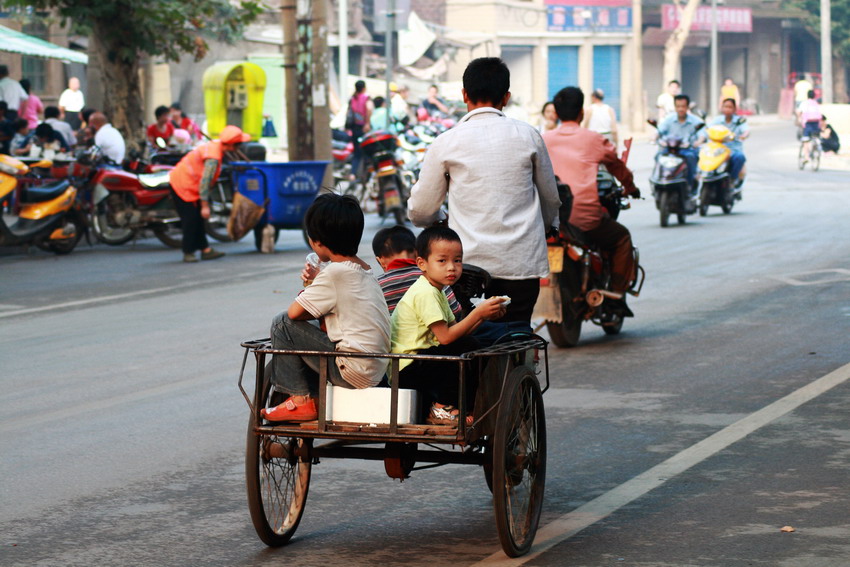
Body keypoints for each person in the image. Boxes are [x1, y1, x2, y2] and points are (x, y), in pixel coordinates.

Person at [408, 57, 561, 329]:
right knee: (516, 334)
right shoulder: (528, 136)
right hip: (521, 264)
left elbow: (420, 211)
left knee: (469, 338)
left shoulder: (447, 141)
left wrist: (440, 217)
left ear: (464, 95)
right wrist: (549, 225)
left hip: (464, 269)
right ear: (506, 97)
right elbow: (550, 197)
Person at [261, 193, 392, 422]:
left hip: (352, 371)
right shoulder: (363, 270)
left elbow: (294, 314)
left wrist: (314, 283)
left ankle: (300, 400)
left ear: (318, 242)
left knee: (282, 323)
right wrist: (317, 281)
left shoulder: (333, 273)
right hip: (375, 369)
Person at [391, 227, 506, 425]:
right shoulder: (425, 292)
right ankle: (441, 407)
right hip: (406, 367)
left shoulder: (439, 290)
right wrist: (477, 313)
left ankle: (459, 405)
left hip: (421, 362)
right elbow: (446, 337)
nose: (451, 267)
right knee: (465, 348)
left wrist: (484, 316)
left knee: (470, 345)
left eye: (457, 260)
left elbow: (458, 331)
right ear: (422, 263)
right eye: (442, 261)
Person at [543, 86, 640, 300]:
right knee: (622, 238)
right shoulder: (593, 139)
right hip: (584, 220)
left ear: (556, 113)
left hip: (547, 220)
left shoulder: (542, 139)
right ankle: (616, 293)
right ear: (582, 113)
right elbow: (618, 167)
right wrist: (631, 188)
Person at [169, 125, 248, 262]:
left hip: (190, 185)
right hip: (182, 184)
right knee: (191, 220)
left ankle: (205, 249)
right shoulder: (213, 157)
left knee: (198, 219)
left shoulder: (215, 146)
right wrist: (205, 205)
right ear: (232, 145)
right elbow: (205, 182)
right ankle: (188, 252)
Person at [372, 224, 462, 317]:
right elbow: (455, 311)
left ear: (380, 260)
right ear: (417, 253)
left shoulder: (377, 286)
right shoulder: (434, 276)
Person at [656, 94, 704, 192]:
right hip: (670, 150)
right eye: (678, 106)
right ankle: (658, 182)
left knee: (691, 157)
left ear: (687, 107)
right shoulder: (669, 119)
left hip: (687, 150)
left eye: (683, 106)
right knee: (658, 156)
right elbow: (659, 131)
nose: (680, 109)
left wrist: (698, 142)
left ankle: (691, 185)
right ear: (675, 107)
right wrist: (654, 138)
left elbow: (702, 134)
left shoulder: (695, 121)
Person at [710, 98, 749, 186]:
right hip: (718, 150)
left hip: (733, 151)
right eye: (725, 107)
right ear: (722, 108)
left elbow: (746, 131)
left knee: (740, 157)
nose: (727, 109)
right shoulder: (717, 120)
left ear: (734, 109)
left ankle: (732, 179)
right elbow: (708, 129)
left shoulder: (739, 121)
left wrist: (743, 136)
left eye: (730, 107)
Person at [346, 80, 372, 180]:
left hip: (354, 129)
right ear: (364, 88)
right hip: (363, 129)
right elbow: (369, 109)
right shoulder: (366, 98)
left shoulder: (352, 98)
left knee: (357, 152)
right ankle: (365, 175)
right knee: (366, 151)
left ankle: (353, 174)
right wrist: (367, 123)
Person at [797, 90, 821, 164]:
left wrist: (799, 119)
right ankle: (814, 148)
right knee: (815, 137)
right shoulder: (816, 103)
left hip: (808, 124)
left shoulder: (804, 103)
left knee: (806, 140)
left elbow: (799, 112)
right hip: (816, 123)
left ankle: (806, 157)